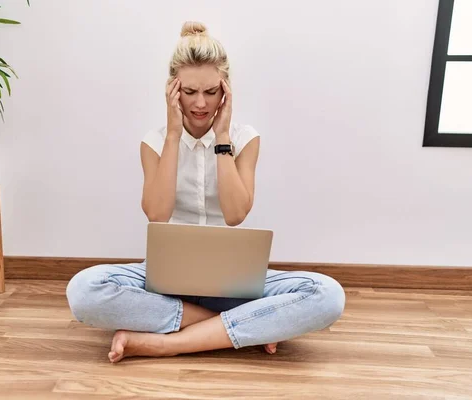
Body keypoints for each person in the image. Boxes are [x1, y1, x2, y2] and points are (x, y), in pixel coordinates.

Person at [66, 21, 345, 364]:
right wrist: (172, 135)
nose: (200, 104)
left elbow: (235, 213)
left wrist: (222, 137)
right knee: (84, 290)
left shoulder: (244, 139)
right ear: (173, 90)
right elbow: (157, 213)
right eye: (189, 92)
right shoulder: (154, 143)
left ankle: (166, 343)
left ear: (226, 91)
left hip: (232, 285)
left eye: (211, 92)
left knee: (327, 295)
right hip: (166, 284)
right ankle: (241, 328)